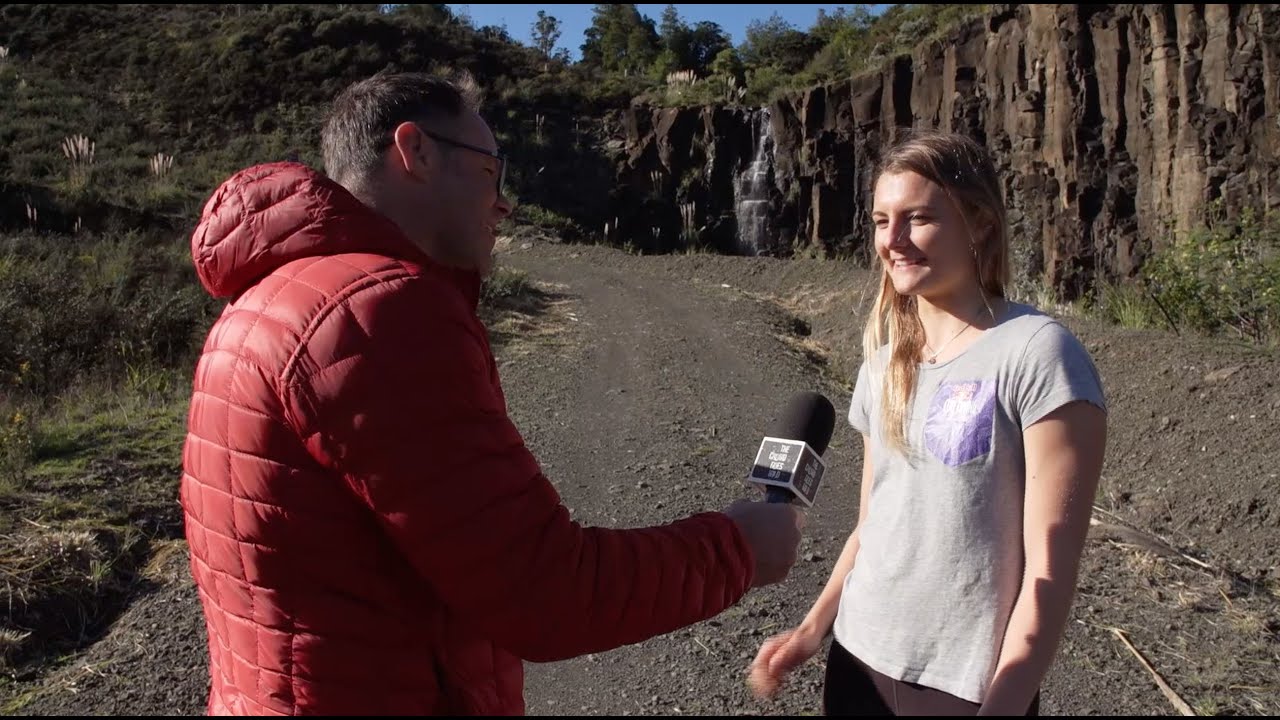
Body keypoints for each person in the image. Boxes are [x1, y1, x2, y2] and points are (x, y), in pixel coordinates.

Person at [179, 69, 804, 716]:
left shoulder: (264, 301)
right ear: (414, 151)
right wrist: (739, 548)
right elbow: (544, 591)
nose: (503, 202)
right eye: (490, 170)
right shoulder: (379, 312)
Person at [747, 129, 1108, 716]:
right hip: (858, 656)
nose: (893, 240)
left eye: (918, 218)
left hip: (961, 686)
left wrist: (1005, 703)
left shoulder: (1039, 353)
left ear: (981, 224)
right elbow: (874, 524)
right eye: (880, 220)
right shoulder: (885, 358)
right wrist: (812, 631)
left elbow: (1050, 571)